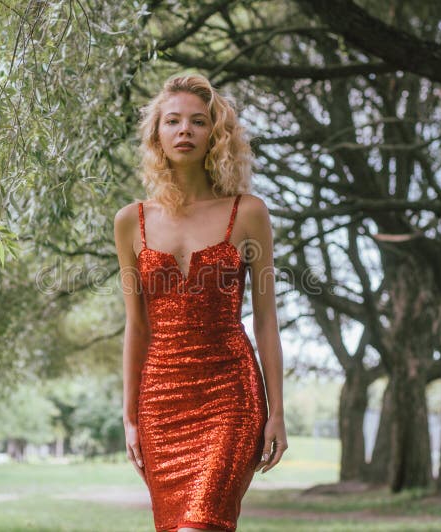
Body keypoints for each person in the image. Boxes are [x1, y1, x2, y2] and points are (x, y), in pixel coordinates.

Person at [113, 73, 288, 532]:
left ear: (217, 134)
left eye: (198, 121)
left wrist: (277, 413)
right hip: (161, 402)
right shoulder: (131, 222)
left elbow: (266, 322)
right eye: (172, 121)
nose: (184, 130)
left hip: (230, 395)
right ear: (157, 135)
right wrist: (130, 416)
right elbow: (138, 326)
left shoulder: (248, 212)